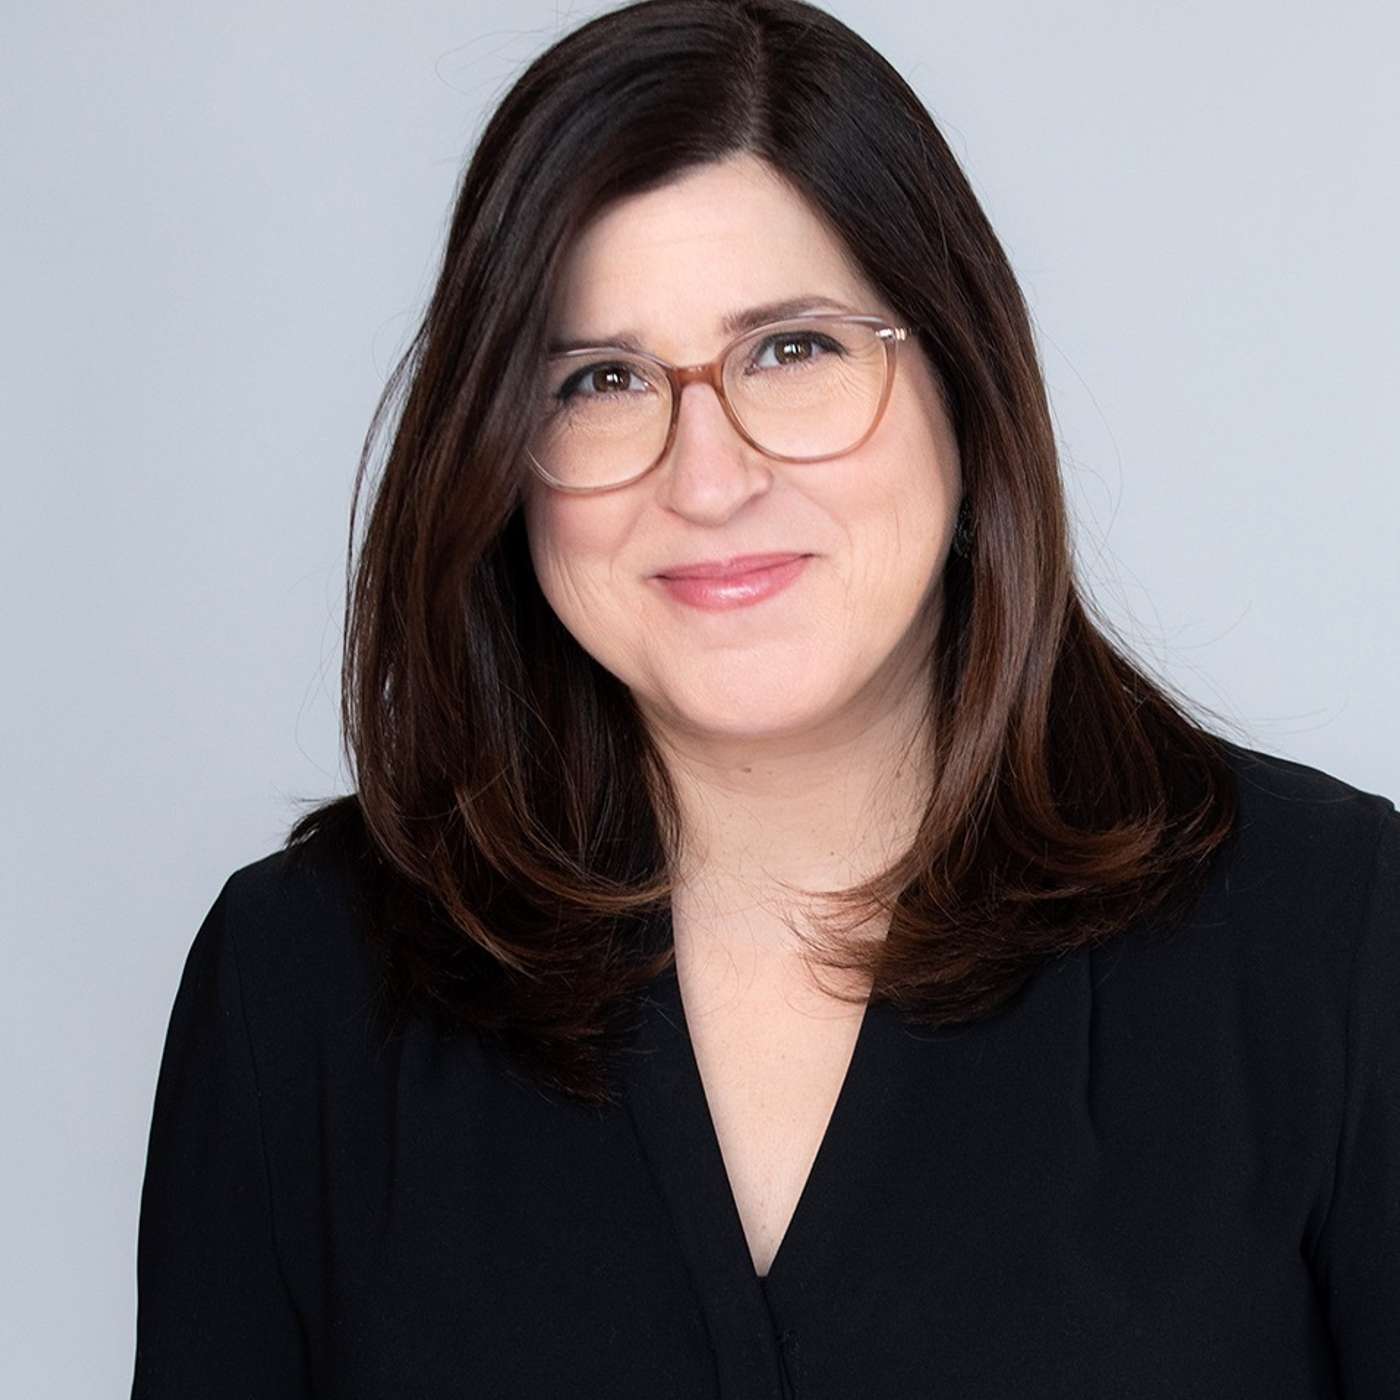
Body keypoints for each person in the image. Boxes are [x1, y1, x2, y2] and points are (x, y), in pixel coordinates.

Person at [130, 0, 1399, 1395]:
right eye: (602, 379)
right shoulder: (303, 984)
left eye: (792, 351)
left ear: (964, 382)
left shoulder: (1336, 940)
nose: (709, 478)